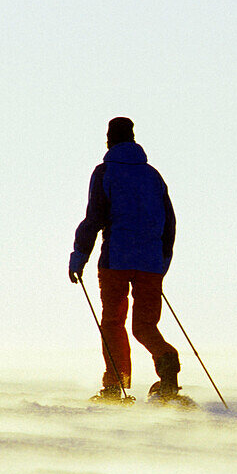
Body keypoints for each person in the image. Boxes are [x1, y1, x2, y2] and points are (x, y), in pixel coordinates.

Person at [69, 117, 183, 403]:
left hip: (115, 261)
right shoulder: (153, 175)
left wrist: (79, 256)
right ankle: (168, 368)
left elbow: (94, 218)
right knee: (145, 326)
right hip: (150, 264)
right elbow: (169, 222)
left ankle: (115, 385)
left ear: (109, 140)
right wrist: (163, 261)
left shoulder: (105, 172)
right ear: (133, 139)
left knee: (113, 322)